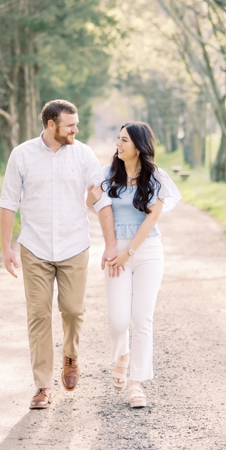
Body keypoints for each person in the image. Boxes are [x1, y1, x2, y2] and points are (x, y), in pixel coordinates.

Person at [0, 99, 115, 410]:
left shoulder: (84, 154)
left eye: (76, 124)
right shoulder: (22, 155)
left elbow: (100, 200)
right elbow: (8, 202)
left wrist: (110, 243)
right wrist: (7, 246)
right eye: (70, 125)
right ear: (51, 125)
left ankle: (71, 355)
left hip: (74, 245)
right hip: (34, 247)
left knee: (73, 310)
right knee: (38, 315)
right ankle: (42, 386)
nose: (76, 129)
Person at [89, 122, 181, 409]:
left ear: (140, 146)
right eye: (118, 139)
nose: (118, 144)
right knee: (117, 319)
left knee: (142, 318)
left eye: (124, 140)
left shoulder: (156, 178)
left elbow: (152, 219)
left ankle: (136, 384)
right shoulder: (107, 174)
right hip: (118, 252)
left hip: (147, 251)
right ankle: (121, 357)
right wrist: (115, 247)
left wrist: (130, 251)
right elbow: (94, 205)